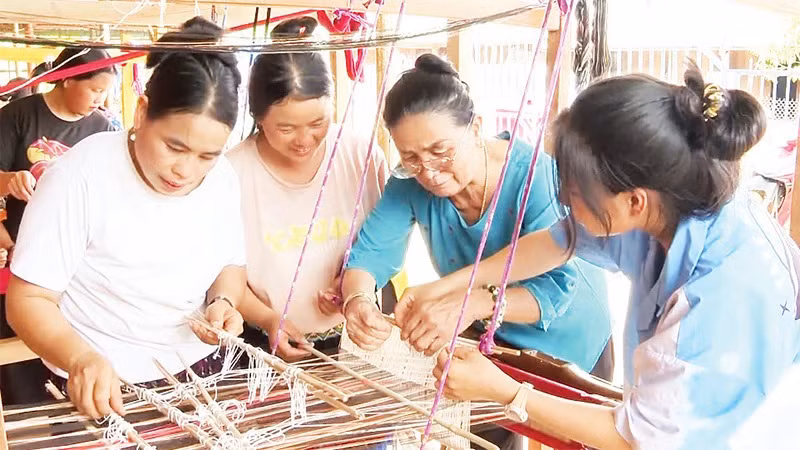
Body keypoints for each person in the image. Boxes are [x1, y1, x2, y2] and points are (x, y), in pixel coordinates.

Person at [429, 67, 800, 449]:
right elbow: (560, 241)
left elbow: (636, 439)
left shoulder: (719, 300)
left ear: (634, 201)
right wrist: (446, 287)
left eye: (574, 192)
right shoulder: (679, 197)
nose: (566, 203)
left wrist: (505, 392)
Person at [7, 17, 246, 418]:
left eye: (207, 156)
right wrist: (80, 357)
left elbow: (230, 263)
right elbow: (28, 299)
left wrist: (223, 302)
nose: (185, 171)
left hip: (194, 372)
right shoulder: (78, 176)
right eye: (174, 147)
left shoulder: (223, 180)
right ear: (141, 112)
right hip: (99, 383)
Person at [334, 54, 611, 374]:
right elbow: (370, 255)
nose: (429, 173)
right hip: (493, 339)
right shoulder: (410, 181)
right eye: (411, 157)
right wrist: (358, 300)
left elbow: (556, 290)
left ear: (476, 128)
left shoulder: (537, 178)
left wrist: (470, 303)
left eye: (441, 152)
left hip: (571, 345)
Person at [228, 17, 387, 359]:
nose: (304, 140)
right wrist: (270, 319)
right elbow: (221, 276)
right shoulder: (232, 174)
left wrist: (357, 281)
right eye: (285, 128)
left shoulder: (361, 154)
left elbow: (388, 240)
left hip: (356, 342)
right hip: (261, 348)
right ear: (258, 117)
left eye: (318, 122)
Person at [0, 47, 118, 405]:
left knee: (72, 344)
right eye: (94, 89)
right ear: (66, 80)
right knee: (21, 339)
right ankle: (25, 413)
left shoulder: (102, 128)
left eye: (105, 92)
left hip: (78, 260)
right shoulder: (18, 116)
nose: (99, 100)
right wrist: (9, 181)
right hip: (19, 253)